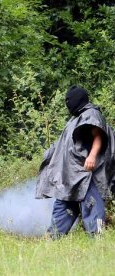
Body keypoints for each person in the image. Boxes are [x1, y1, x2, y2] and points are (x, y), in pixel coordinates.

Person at [36, 85, 115, 238]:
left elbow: (98, 135)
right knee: (63, 204)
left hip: (87, 173)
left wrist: (91, 156)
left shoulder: (91, 113)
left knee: (92, 205)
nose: (68, 104)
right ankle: (53, 237)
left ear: (78, 99)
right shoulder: (76, 118)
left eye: (69, 100)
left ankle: (97, 239)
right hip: (71, 175)